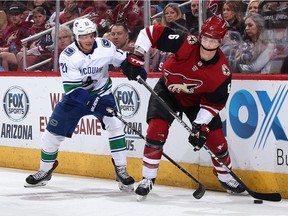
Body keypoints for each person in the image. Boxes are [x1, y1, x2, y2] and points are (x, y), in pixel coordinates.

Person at [125, 15, 246, 200]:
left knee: (216, 140)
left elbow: (214, 103)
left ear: (220, 42)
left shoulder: (222, 71)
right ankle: (147, 178)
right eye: (205, 38)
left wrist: (200, 125)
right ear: (200, 36)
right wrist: (136, 56)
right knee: (156, 131)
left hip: (197, 101)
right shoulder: (185, 43)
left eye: (213, 40)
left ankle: (226, 177)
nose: (207, 44)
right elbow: (149, 33)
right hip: (167, 90)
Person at [24, 17, 146, 190]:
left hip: (102, 92)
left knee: (115, 124)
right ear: (76, 37)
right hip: (75, 99)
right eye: (83, 36)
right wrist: (95, 103)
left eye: (90, 35)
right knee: (50, 135)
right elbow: (73, 90)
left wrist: (133, 68)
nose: (88, 40)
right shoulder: (68, 56)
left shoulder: (105, 46)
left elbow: (123, 59)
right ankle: (45, 170)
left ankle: (121, 170)